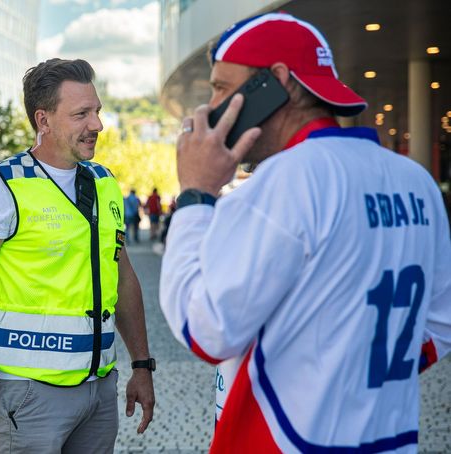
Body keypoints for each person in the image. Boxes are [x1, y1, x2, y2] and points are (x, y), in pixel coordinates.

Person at [159, 12, 451, 453]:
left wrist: (197, 193)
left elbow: (206, 331)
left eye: (220, 87)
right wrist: (351, 371)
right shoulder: (417, 182)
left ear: (276, 82)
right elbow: (442, 323)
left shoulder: (284, 181)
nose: (212, 107)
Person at [0, 58, 155, 453]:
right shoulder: (1, 187)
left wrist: (141, 365)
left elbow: (122, 276)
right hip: (28, 394)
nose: (97, 125)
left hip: (99, 388)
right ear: (43, 120)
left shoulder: (104, 182)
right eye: (81, 114)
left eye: (97, 112)